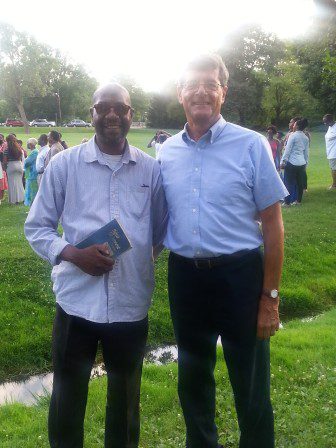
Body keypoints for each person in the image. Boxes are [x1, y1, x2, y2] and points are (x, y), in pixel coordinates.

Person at [24, 82, 167, 448]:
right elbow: (37, 228)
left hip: (130, 307)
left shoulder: (150, 171)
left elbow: (161, 230)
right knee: (67, 400)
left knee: (125, 404)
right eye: (103, 107)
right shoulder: (64, 166)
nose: (112, 114)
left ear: (131, 115)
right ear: (92, 114)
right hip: (76, 304)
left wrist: (138, 261)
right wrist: (74, 254)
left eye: (120, 107)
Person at [159, 54, 288, 448]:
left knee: (250, 382)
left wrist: (270, 298)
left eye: (210, 84)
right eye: (192, 84)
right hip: (185, 278)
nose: (201, 91)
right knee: (193, 379)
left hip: (240, 277)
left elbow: (273, 224)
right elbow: (156, 220)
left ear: (223, 93)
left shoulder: (251, 145)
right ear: (181, 93)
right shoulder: (166, 153)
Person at [280, 118, 309, 205]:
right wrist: (306, 163)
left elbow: (287, 150)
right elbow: (306, 152)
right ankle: (298, 201)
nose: (293, 125)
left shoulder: (293, 136)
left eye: (295, 124)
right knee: (300, 183)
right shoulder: (305, 137)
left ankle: (287, 202)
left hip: (292, 162)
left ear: (297, 126)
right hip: (302, 163)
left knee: (288, 183)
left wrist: (283, 161)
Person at [3, 135, 25, 204]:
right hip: (19, 165)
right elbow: (21, 158)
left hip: (11, 165)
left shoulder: (6, 150)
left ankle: (14, 200)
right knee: (19, 183)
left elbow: (5, 161)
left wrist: (4, 168)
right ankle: (22, 198)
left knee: (12, 184)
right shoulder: (19, 149)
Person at [24, 138, 39, 206]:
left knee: (32, 192)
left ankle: (32, 206)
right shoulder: (33, 151)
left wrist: (25, 162)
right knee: (30, 191)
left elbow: (27, 162)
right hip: (30, 174)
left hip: (32, 175)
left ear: (31, 144)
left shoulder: (35, 152)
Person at [322, 113, 336, 189]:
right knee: (333, 168)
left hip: (334, 152)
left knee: (334, 169)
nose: (325, 123)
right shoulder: (330, 127)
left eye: (326, 121)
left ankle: (334, 185)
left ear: (330, 120)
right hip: (330, 152)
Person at [0, 134, 8, 205]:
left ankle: (1, 198)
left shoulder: (4, 145)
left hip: (1, 166)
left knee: (2, 182)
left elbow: (3, 158)